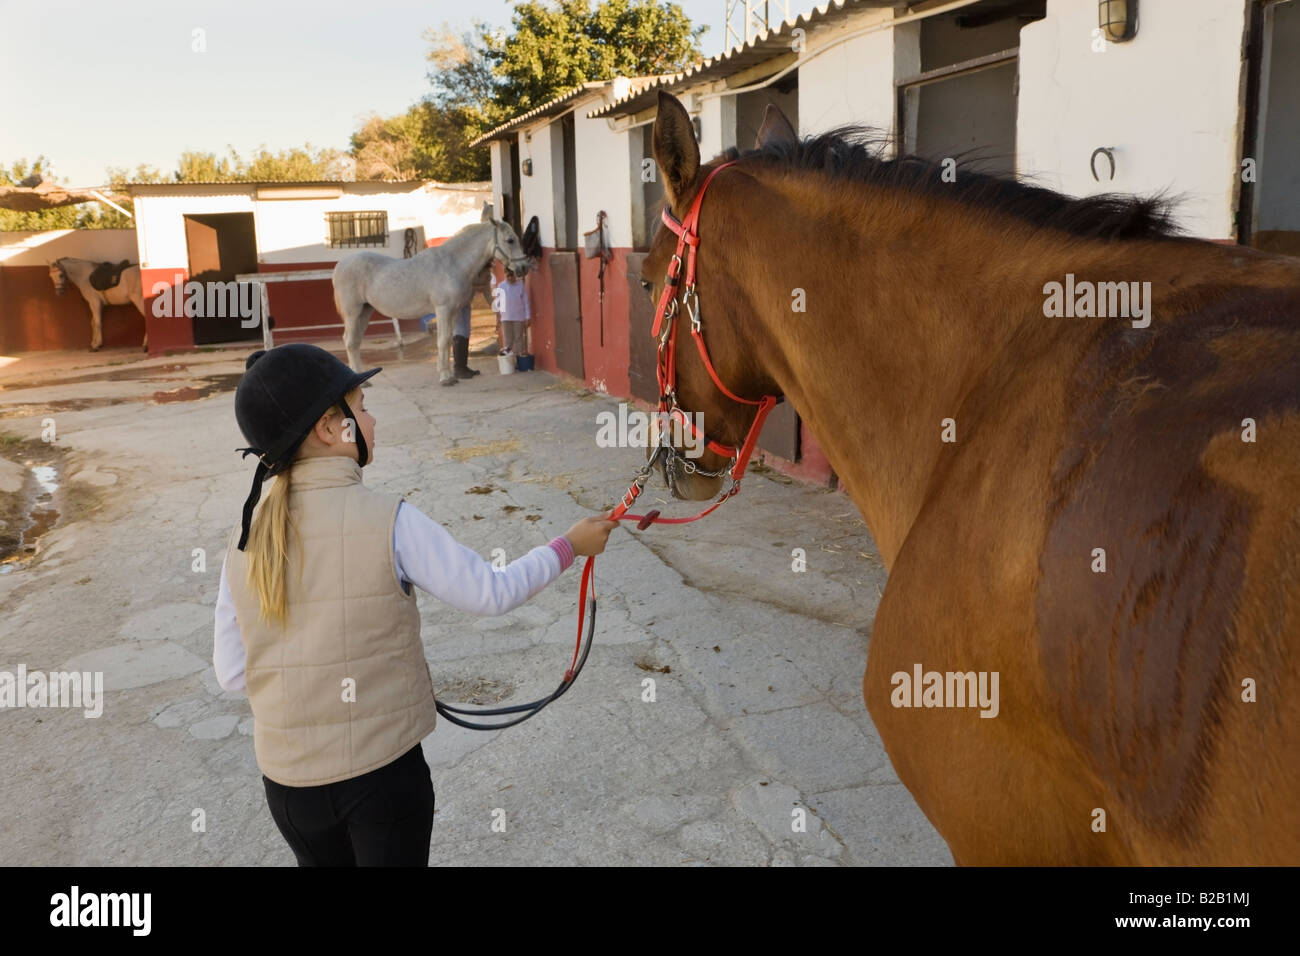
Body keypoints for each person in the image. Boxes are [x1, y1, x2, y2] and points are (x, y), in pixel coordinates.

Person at [212, 343, 618, 866]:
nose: (371, 418)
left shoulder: (244, 538)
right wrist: (569, 545)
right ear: (328, 429)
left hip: (289, 790)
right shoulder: (391, 519)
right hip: (382, 779)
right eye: (361, 407)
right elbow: (490, 594)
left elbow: (232, 673)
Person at [491, 269, 531, 365]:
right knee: (508, 340)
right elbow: (498, 303)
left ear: (515, 275)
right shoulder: (501, 286)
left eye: (511, 276)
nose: (510, 278)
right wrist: (498, 317)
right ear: (505, 275)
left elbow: (526, 301)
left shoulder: (520, 285)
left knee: (518, 338)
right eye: (507, 276)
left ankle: (519, 361)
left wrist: (527, 316)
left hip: (519, 316)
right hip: (506, 317)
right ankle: (509, 362)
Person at [452, 303, 478, 379]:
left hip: (465, 299)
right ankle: (458, 368)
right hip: (456, 298)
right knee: (459, 330)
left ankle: (463, 366)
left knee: (466, 331)